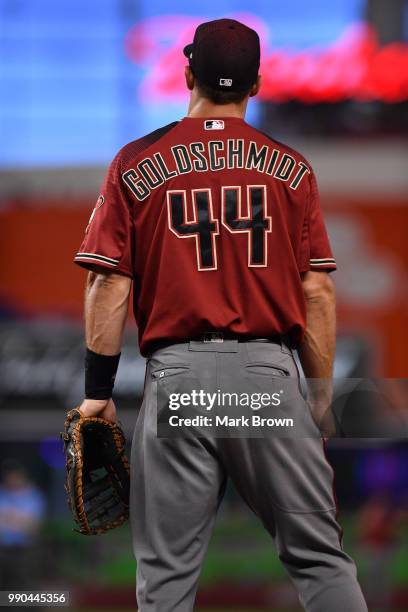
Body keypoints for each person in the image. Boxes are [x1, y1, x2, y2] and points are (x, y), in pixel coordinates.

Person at [75, 18, 368, 611]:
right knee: (318, 559)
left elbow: (107, 282)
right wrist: (316, 395)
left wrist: (97, 393)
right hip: (267, 378)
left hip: (179, 380)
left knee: (165, 578)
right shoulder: (291, 168)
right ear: (256, 85)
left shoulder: (137, 162)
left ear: (187, 73)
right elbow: (317, 292)